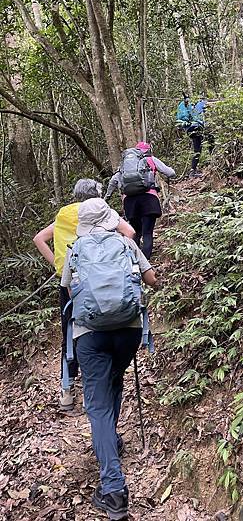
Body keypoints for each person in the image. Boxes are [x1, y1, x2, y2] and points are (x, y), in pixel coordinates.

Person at [61, 198, 156, 520]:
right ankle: (111, 440)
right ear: (110, 219)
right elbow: (151, 279)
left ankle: (113, 489)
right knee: (114, 382)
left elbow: (69, 292)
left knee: (98, 404)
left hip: (89, 335)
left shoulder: (76, 250)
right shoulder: (127, 244)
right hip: (128, 330)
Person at [33, 179, 135, 410]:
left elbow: (39, 239)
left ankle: (67, 390)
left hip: (70, 284)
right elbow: (129, 232)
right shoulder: (102, 212)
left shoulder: (63, 215)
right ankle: (106, 380)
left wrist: (60, 267)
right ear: (97, 195)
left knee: (69, 332)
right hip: (104, 281)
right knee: (103, 325)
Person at [105, 142, 175, 259]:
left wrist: (106, 197)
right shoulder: (150, 159)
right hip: (149, 199)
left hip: (130, 203)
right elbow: (171, 173)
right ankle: (146, 262)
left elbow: (113, 181)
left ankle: (134, 261)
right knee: (147, 233)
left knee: (135, 232)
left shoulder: (125, 164)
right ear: (148, 150)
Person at [176, 94, 205, 177]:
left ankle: (193, 170)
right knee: (197, 149)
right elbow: (184, 116)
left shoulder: (190, 106)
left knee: (198, 149)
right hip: (193, 128)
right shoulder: (184, 106)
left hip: (194, 128)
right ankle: (193, 171)